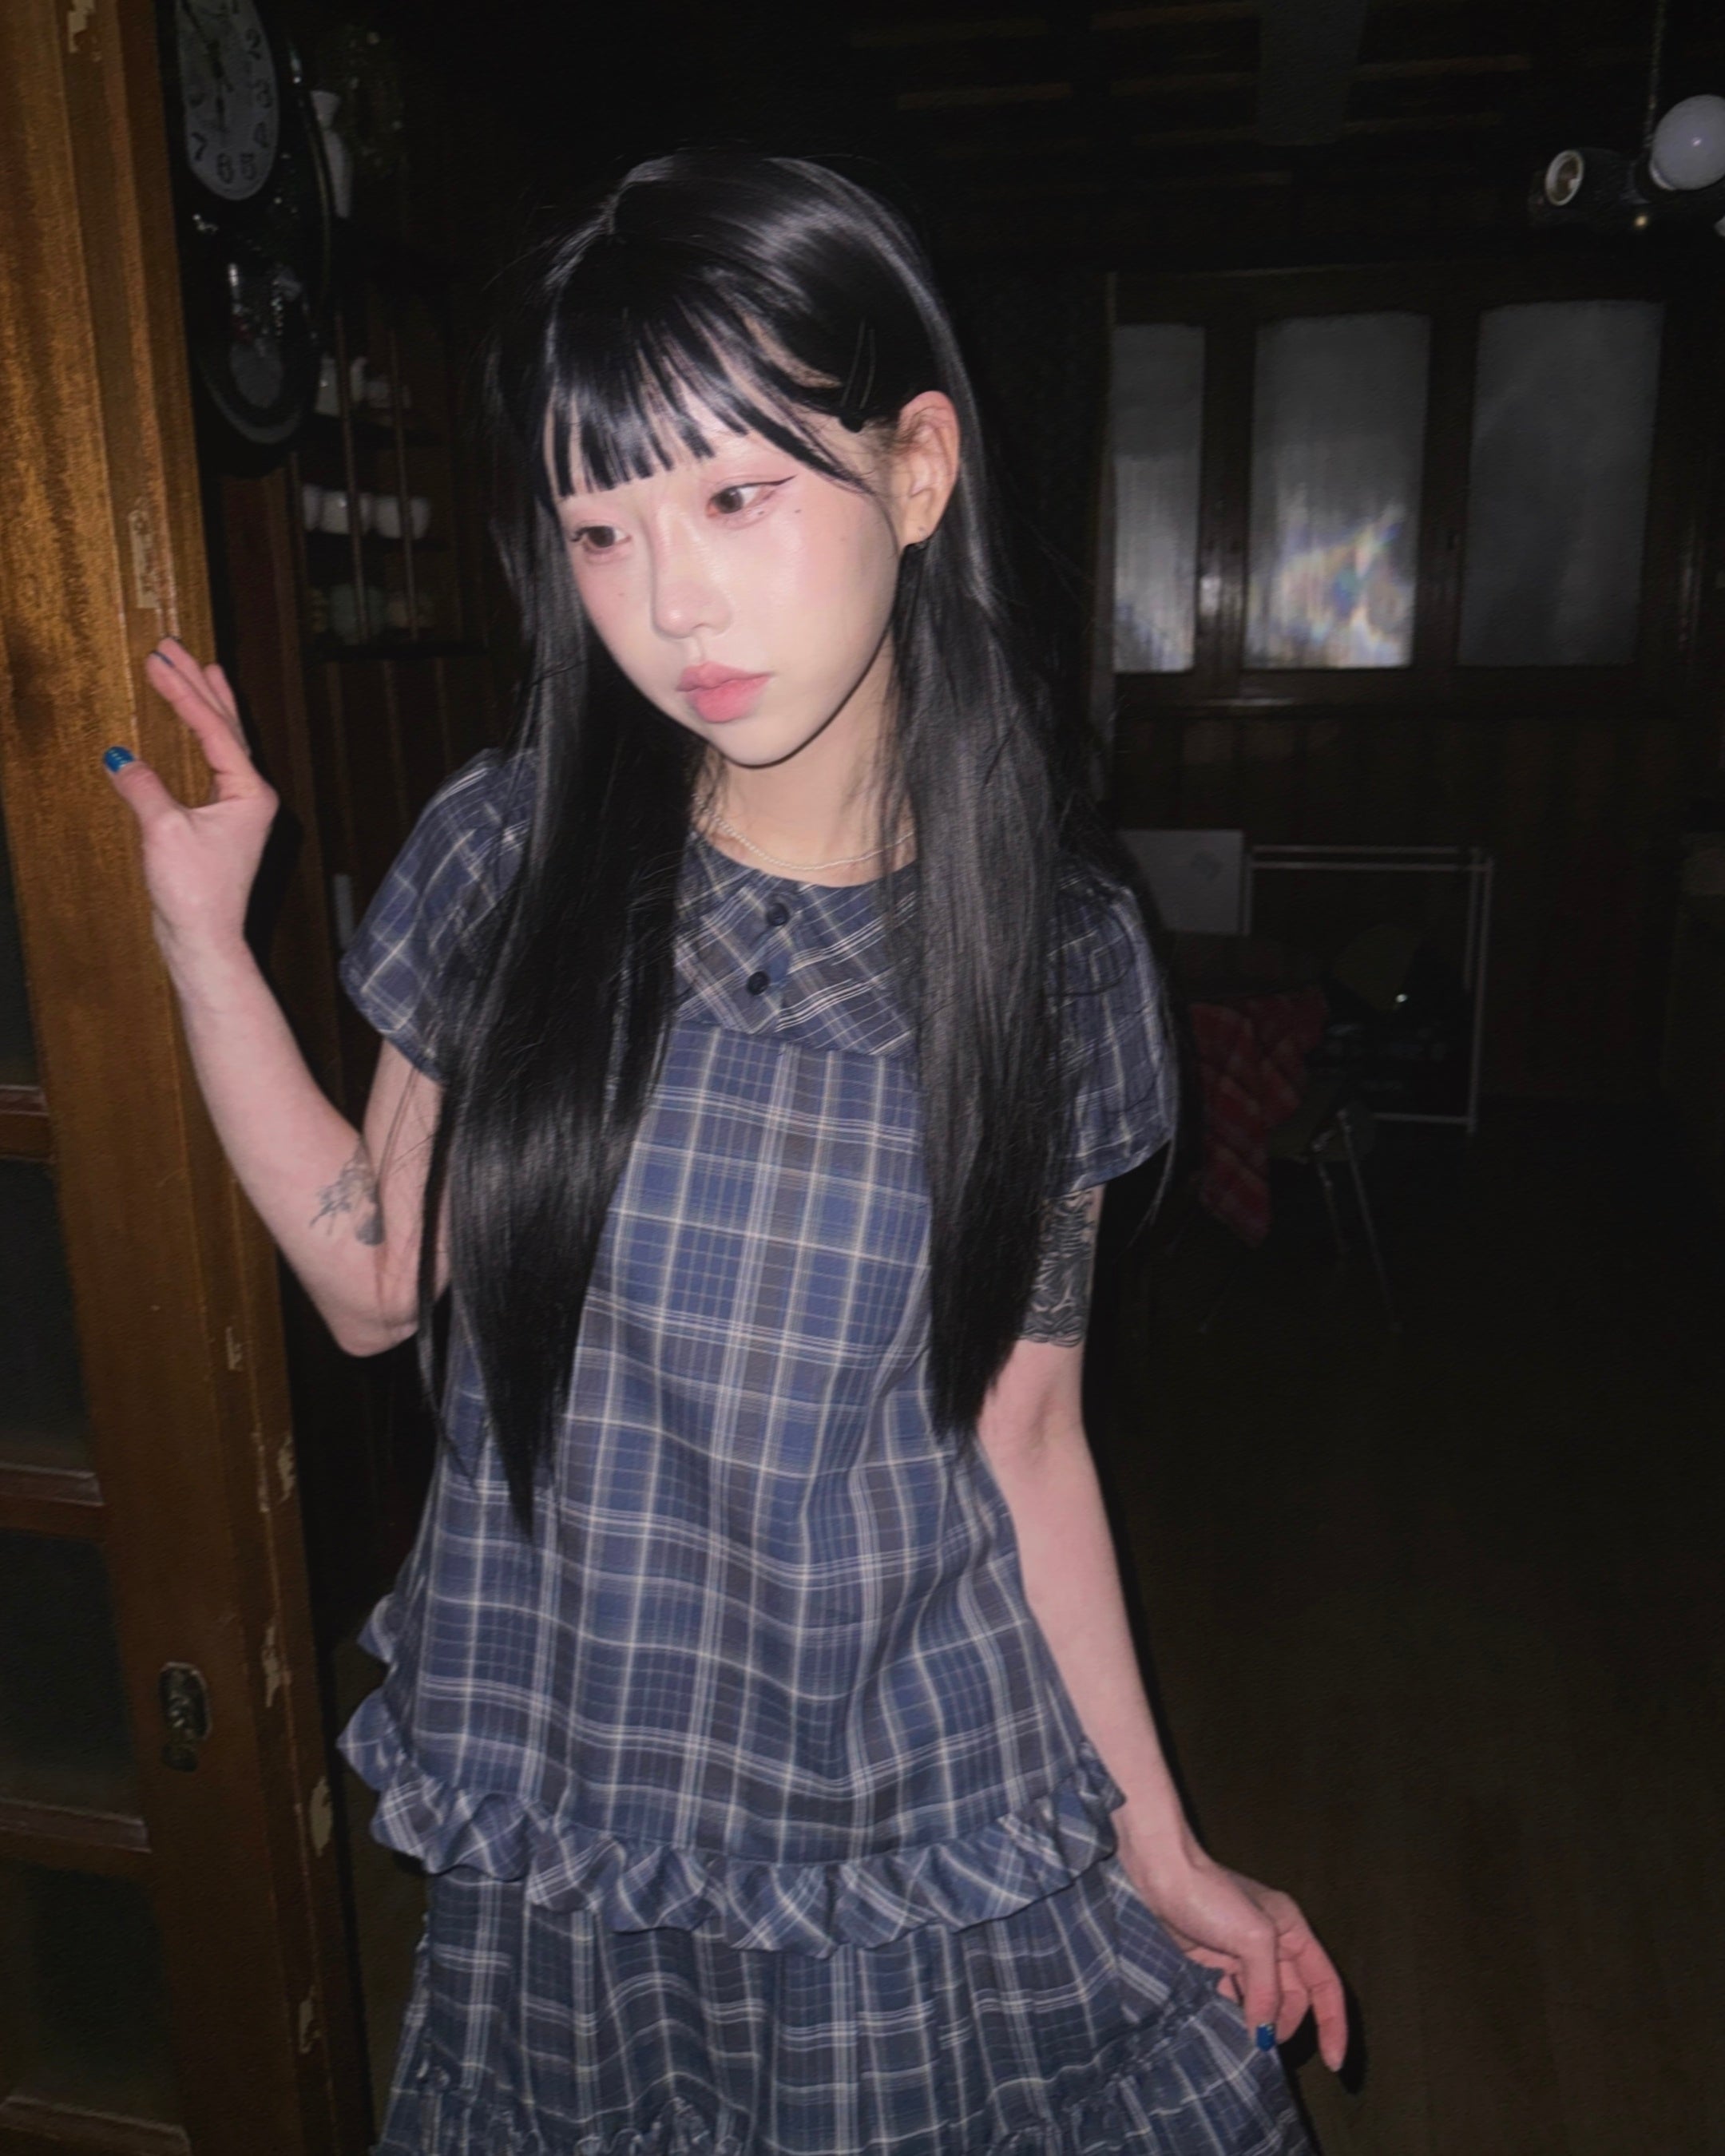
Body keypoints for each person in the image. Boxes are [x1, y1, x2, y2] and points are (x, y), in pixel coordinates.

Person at [108, 152, 1346, 2155]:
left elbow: (1027, 1435)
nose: (670, 602)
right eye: (601, 528)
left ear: (917, 471)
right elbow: (370, 1280)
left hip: (897, 1807)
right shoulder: (512, 857)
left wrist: (1163, 1843)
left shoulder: (1054, 958)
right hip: (578, 1805)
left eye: (738, 497)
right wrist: (200, 939)